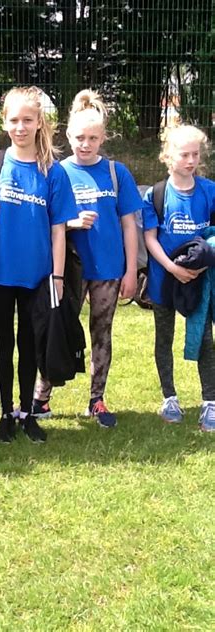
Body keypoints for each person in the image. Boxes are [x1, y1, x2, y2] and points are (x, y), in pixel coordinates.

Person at [0, 86, 77, 444]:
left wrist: (57, 275)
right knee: (5, 346)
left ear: (39, 122)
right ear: (4, 122)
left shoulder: (52, 171)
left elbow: (59, 229)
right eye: (14, 120)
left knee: (30, 346)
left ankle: (27, 413)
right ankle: (5, 413)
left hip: (38, 276)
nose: (20, 127)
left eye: (28, 120)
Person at [33, 89, 141, 428]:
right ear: (68, 136)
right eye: (80, 137)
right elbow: (46, 222)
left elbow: (129, 226)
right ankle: (41, 397)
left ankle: (97, 399)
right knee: (58, 328)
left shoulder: (116, 172)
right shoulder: (57, 172)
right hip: (69, 269)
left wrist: (131, 271)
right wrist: (72, 223)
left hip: (108, 269)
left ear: (103, 138)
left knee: (102, 333)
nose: (86, 144)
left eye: (93, 138)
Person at [142, 124, 215, 431]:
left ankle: (210, 402)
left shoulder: (209, 191)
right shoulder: (156, 194)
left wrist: (200, 266)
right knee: (164, 338)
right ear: (168, 156)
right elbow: (150, 238)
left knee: (205, 340)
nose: (190, 160)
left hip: (200, 281)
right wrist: (172, 269)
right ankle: (169, 398)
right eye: (184, 154)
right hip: (164, 280)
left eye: (195, 154)